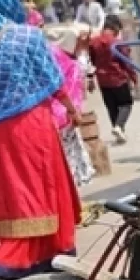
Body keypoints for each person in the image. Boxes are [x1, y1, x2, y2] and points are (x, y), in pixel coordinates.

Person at [0, 0, 82, 280]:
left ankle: (18, 257)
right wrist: (70, 109)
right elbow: (54, 80)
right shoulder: (28, 36)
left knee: (12, 191)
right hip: (32, 124)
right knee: (45, 185)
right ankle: (43, 253)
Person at [45, 26, 95, 188]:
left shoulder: (53, 55)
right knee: (68, 155)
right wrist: (74, 111)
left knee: (69, 153)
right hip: (64, 115)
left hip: (57, 115)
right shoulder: (68, 62)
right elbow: (69, 91)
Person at [89, 14, 138, 144]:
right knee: (126, 104)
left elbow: (92, 60)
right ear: (115, 27)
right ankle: (119, 127)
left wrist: (92, 76)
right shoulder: (117, 42)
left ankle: (118, 132)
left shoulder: (93, 42)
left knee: (112, 107)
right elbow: (126, 61)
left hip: (103, 79)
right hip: (118, 77)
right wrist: (134, 77)